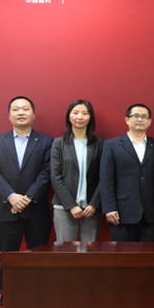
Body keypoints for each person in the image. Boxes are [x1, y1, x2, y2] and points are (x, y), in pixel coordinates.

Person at [0, 96, 52, 308]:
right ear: (9, 115)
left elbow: (47, 172)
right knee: (7, 259)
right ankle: (8, 303)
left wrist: (28, 197)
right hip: (6, 210)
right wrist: (12, 197)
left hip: (37, 211)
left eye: (25, 109)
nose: (21, 112)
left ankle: (39, 303)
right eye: (16, 109)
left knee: (38, 260)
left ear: (33, 114)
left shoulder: (46, 141)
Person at [99, 104, 154, 242]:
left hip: (150, 214)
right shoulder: (112, 145)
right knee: (123, 254)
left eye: (144, 117)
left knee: (150, 254)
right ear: (127, 120)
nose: (140, 119)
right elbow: (106, 180)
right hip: (122, 213)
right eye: (136, 116)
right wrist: (110, 208)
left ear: (149, 121)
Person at [50, 99, 104, 242]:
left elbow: (104, 176)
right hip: (64, 206)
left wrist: (94, 204)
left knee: (90, 251)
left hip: (91, 209)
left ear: (90, 117)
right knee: (65, 251)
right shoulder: (58, 143)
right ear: (69, 116)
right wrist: (71, 205)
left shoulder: (99, 144)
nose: (80, 117)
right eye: (75, 113)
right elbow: (55, 176)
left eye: (84, 113)